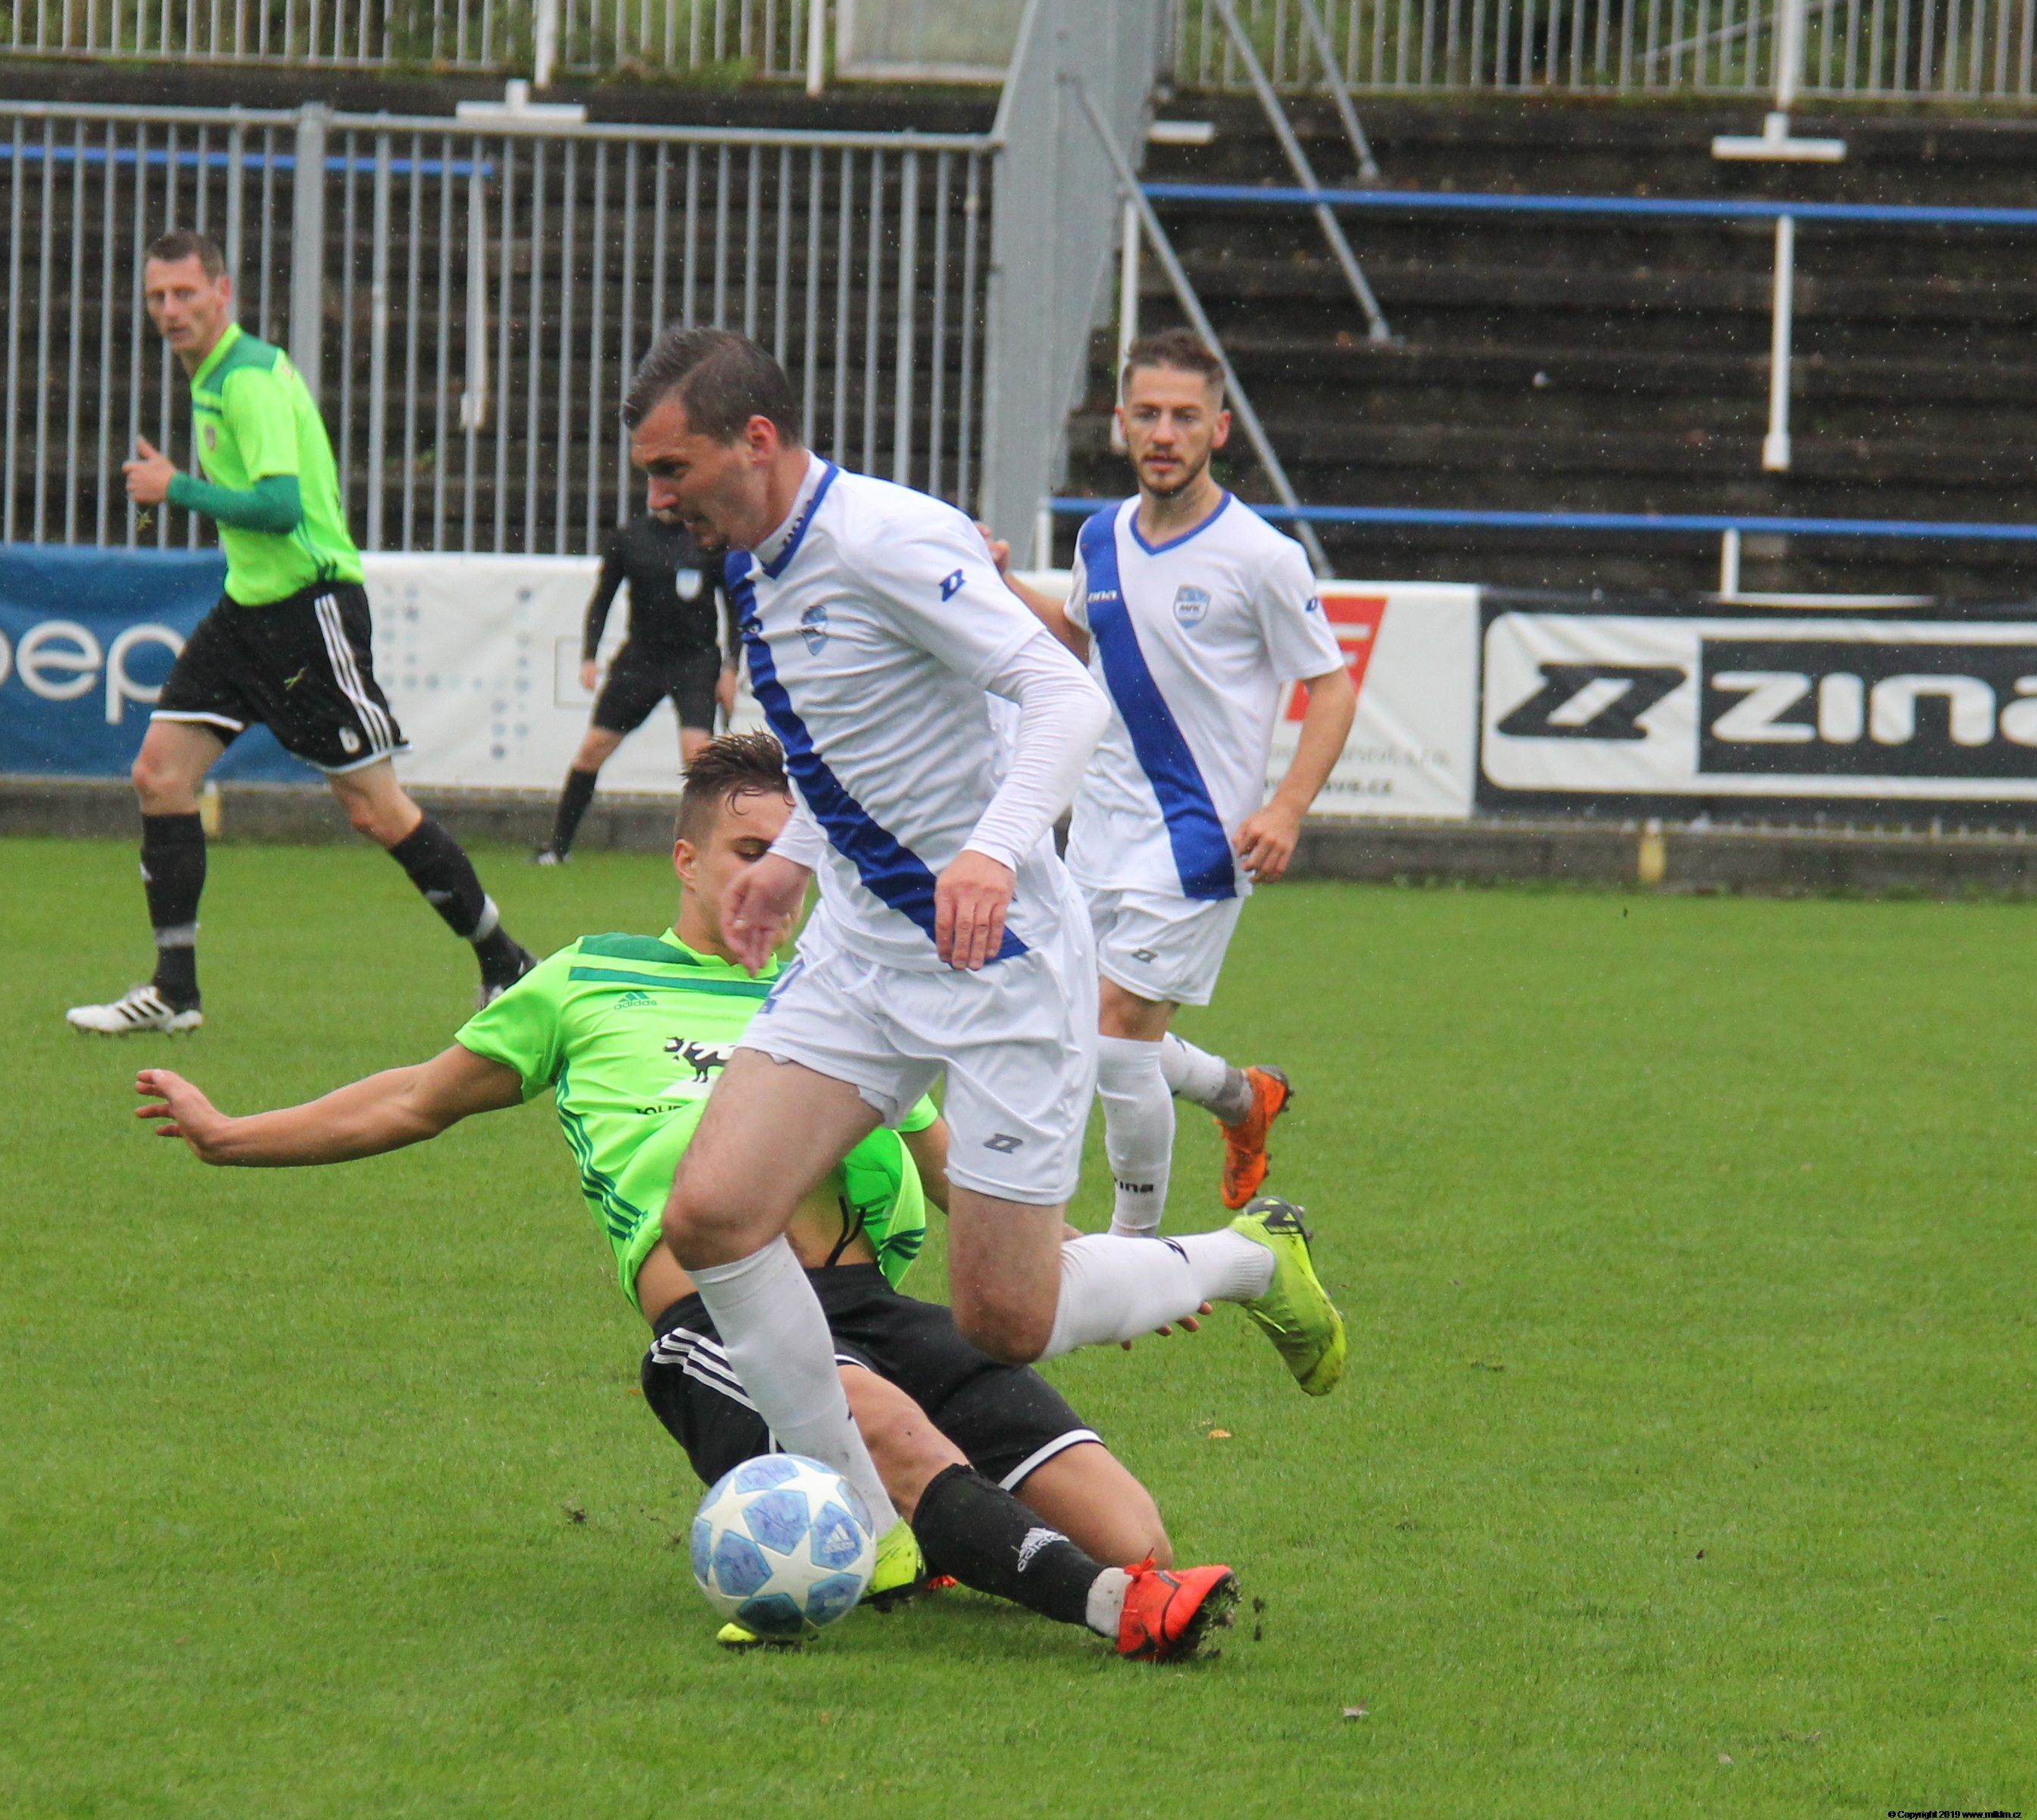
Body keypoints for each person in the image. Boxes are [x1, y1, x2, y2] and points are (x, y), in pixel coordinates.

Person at [136, 734, 1241, 1660]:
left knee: (1131, 1528)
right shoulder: (588, 979)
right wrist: (233, 1137)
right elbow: (414, 1100)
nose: (775, 880)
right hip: (724, 1322)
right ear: (688, 859)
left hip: (877, 1306)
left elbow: (957, 1174)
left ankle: (970, 1544)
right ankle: (1116, 1611)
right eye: (749, 852)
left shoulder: (838, 998)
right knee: (897, 1436)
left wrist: (1087, 1274)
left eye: (792, 855)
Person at [629, 329, 1345, 1549]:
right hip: (861, 959)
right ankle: (859, 1521)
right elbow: (848, 747)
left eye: (670, 468)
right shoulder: (749, 563)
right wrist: (790, 860)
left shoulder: (887, 539)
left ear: (753, 441)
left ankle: (1244, 1259)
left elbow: (1063, 693)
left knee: (1005, 1318)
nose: (656, 498)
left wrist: (993, 848)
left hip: (997, 962)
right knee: (710, 1215)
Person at [67, 229, 535, 1035]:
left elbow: (282, 509)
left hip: (308, 614)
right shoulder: (216, 376)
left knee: (375, 809)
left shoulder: (247, 379)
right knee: (160, 775)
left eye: (185, 294)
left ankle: (508, 962)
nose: (170, 310)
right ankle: (174, 990)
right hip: (247, 610)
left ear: (224, 294)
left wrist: (175, 487)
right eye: (157, 297)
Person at [996, 329, 1359, 1235]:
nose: (1164, 433)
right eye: (1148, 414)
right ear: (1121, 422)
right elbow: (1080, 643)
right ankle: (1241, 1097)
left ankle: (1136, 1250)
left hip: (1198, 841)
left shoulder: (1260, 557)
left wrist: (1286, 808)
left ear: (1218, 430)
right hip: (1098, 830)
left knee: (1116, 1043)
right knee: (1079, 1027)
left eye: (1185, 417)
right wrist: (999, 585)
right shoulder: (1100, 537)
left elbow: (1331, 686)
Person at [533, 510, 737, 865]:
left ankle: (706, 854)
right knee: (594, 748)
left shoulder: (706, 535)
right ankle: (558, 849)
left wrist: (732, 667)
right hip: (641, 660)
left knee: (698, 757)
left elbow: (735, 607)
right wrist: (589, 656)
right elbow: (602, 599)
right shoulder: (629, 539)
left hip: (695, 660)